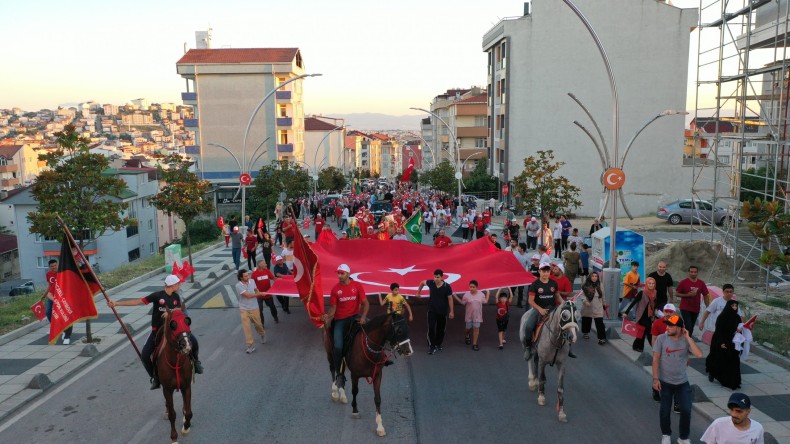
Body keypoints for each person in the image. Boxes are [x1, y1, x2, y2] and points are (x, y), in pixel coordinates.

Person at [108, 275, 203, 389]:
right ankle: (155, 377)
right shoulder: (157, 296)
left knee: (194, 342)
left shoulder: (176, 296)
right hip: (157, 330)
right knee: (145, 355)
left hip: (173, 330)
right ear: (171, 285)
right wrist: (117, 304)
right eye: (178, 283)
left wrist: (170, 311)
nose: (180, 285)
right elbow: (139, 301)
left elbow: (179, 309)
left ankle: (196, 362)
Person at [652, 314, 703, 444]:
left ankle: (683, 437)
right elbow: (656, 358)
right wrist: (655, 379)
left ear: (680, 328)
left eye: (671, 325)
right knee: (665, 410)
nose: (667, 327)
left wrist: (688, 337)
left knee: (686, 410)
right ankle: (666, 435)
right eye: (667, 325)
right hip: (665, 382)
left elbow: (699, 354)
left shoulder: (686, 340)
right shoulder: (661, 339)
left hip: (682, 382)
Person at [323, 264, 369, 385]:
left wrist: (363, 317)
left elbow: (366, 303)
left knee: (375, 329)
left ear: (348, 274)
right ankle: (339, 373)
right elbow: (333, 308)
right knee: (338, 347)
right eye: (338, 273)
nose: (339, 275)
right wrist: (327, 317)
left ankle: (381, 358)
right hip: (340, 320)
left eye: (342, 273)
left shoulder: (357, 286)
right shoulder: (335, 289)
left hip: (355, 317)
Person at [522, 261, 563, 356]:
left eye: (548, 271)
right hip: (538, 309)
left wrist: (564, 303)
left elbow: (557, 297)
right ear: (539, 271)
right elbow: (530, 301)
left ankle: (567, 348)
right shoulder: (535, 284)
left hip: (553, 309)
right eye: (544, 271)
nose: (546, 273)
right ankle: (528, 347)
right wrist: (540, 309)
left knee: (566, 324)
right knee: (528, 326)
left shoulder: (553, 283)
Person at [705, 299, 743, 390]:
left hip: (732, 342)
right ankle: (714, 373)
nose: (734, 308)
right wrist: (721, 343)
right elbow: (719, 331)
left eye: (735, 306)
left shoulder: (737, 317)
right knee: (720, 359)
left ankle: (733, 381)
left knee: (733, 360)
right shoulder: (722, 317)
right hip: (722, 341)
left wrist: (740, 330)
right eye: (732, 306)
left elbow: (739, 327)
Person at [416, 269, 455, 355]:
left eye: (438, 277)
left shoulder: (447, 286)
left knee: (441, 329)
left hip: (442, 311)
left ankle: (438, 344)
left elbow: (450, 299)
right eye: (435, 277)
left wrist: (451, 311)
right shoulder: (431, 283)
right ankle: (431, 346)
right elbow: (422, 282)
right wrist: (418, 292)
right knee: (431, 328)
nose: (436, 279)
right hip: (432, 310)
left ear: (442, 277)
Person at [651, 303, 677, 402]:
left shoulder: (678, 323)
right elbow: (654, 338)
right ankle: (655, 389)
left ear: (674, 312)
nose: (668, 313)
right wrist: (655, 352)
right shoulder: (657, 323)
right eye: (666, 311)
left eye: (670, 312)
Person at [235, 269, 266, 354]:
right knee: (247, 327)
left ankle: (262, 333)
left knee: (258, 324)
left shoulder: (252, 281)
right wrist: (260, 294)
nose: (247, 277)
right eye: (245, 276)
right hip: (244, 309)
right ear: (241, 277)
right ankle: (250, 345)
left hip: (254, 307)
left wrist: (258, 292)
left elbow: (256, 290)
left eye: (247, 275)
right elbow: (248, 296)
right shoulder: (238, 286)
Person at [42, 259, 73, 345]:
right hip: (51, 296)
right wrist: (44, 295)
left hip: (62, 297)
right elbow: (50, 285)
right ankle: (56, 326)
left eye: (55, 265)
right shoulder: (48, 274)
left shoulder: (62, 273)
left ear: (57, 265)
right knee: (48, 312)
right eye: (52, 266)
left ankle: (67, 334)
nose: (54, 267)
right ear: (49, 267)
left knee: (64, 314)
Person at [453, 280, 489, 351]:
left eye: (473, 287)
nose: (471, 288)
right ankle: (467, 335)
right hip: (469, 315)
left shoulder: (481, 294)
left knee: (476, 329)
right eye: (470, 287)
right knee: (468, 329)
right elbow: (463, 303)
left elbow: (485, 301)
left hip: (477, 316)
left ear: (477, 287)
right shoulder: (466, 295)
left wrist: (488, 292)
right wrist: (455, 296)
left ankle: (474, 344)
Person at [676, 265, 711, 337]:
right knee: (688, 326)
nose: (693, 273)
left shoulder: (701, 283)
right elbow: (676, 293)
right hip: (685, 307)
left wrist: (708, 307)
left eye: (695, 272)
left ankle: (687, 340)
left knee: (691, 327)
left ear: (697, 273)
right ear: (688, 272)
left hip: (695, 308)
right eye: (691, 272)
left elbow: (705, 295)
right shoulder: (683, 282)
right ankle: (686, 341)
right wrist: (687, 295)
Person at [630, 276, 658, 353]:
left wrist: (655, 312)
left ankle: (637, 346)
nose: (651, 285)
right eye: (649, 283)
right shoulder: (642, 292)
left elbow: (655, 303)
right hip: (641, 315)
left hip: (649, 315)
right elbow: (634, 302)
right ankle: (655, 347)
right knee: (649, 331)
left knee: (642, 331)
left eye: (653, 283)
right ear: (646, 284)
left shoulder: (655, 292)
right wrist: (626, 312)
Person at [580, 271, 607, 345]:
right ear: (590, 277)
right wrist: (585, 301)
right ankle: (585, 332)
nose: (594, 278)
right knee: (587, 319)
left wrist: (604, 303)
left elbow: (603, 295)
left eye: (596, 276)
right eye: (593, 276)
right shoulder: (585, 285)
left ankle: (601, 338)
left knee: (599, 322)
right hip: (588, 304)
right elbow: (582, 295)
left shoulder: (600, 284)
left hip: (598, 305)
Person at [251, 260, 278, 325]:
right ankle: (262, 323)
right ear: (260, 265)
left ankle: (275, 317)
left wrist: (280, 280)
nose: (266, 264)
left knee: (272, 307)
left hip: (267, 294)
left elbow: (273, 278)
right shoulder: (254, 274)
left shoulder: (267, 271)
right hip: (259, 295)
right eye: (264, 263)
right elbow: (252, 284)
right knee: (260, 310)